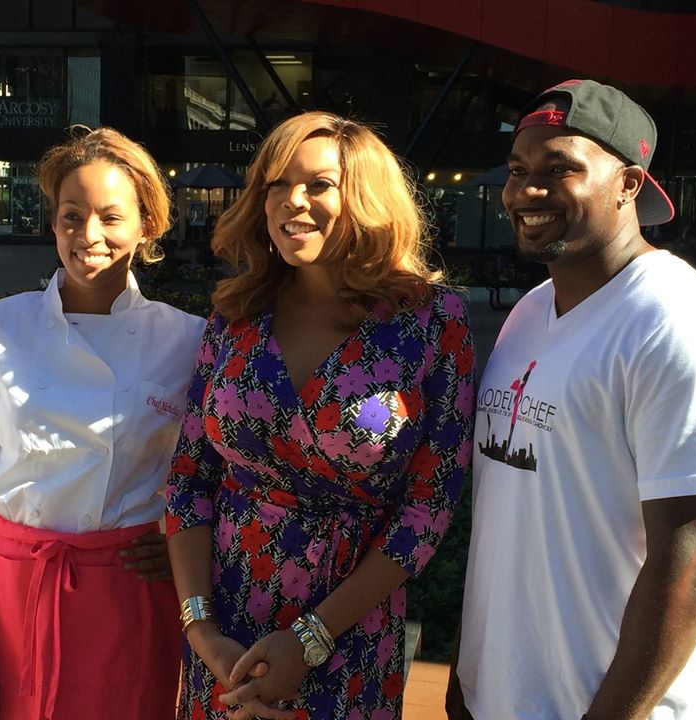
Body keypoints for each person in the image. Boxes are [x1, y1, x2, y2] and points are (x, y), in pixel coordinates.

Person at [166, 111, 475, 720]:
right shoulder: (236, 314)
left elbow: (428, 509)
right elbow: (188, 479)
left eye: (318, 184)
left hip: (348, 633)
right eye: (276, 185)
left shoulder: (432, 323)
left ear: (365, 196)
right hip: (226, 633)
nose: (291, 201)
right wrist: (201, 631)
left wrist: (312, 639)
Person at [0, 127, 205, 720]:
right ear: (53, 223)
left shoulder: (186, 340)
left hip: (129, 597)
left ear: (147, 225)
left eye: (111, 217)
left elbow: (215, 478)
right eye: (72, 216)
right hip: (14, 593)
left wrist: (174, 545)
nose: (88, 235)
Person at [448, 79, 696, 720]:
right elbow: (509, 513)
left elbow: (690, 558)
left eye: (559, 169)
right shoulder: (530, 311)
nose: (526, 191)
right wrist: (468, 675)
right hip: (499, 697)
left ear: (629, 185)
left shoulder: (671, 318)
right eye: (517, 170)